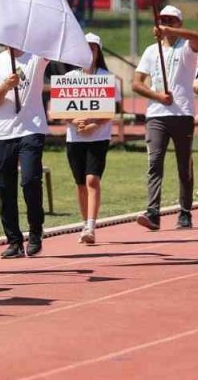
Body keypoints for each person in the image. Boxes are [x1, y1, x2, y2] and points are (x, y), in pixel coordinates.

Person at [133, 5, 198, 231]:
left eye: (171, 20)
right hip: (157, 115)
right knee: (154, 162)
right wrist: (157, 96)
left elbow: (197, 37)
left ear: (179, 23)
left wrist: (169, 31)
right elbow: (136, 83)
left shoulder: (186, 49)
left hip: (182, 113)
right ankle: (153, 212)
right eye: (162, 20)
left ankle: (185, 211)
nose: (166, 23)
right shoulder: (151, 51)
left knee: (184, 165)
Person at [0, 42, 50, 257]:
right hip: (3, 133)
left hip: (31, 129)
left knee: (30, 180)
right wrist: (5, 86)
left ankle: (36, 231)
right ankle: (14, 241)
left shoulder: (36, 57)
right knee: (5, 188)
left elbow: (54, 42)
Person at [61, 33, 120, 243]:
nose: (89, 52)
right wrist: (74, 121)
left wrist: (94, 123)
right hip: (74, 139)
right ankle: (84, 223)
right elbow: (58, 112)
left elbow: (112, 111)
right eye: (85, 48)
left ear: (98, 52)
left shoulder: (107, 78)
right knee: (80, 184)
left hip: (98, 138)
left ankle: (92, 226)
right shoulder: (68, 79)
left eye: (93, 48)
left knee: (92, 179)